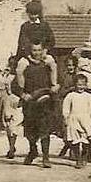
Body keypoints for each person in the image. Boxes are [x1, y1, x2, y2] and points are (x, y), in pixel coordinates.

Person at [17, 40, 58, 168]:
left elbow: (56, 81)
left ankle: (46, 157)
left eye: (39, 50)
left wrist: (55, 86)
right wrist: (22, 94)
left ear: (43, 50)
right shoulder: (24, 63)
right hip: (30, 100)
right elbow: (16, 83)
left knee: (44, 128)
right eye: (34, 50)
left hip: (45, 98)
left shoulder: (48, 63)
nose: (37, 53)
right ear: (30, 51)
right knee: (30, 129)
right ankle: (33, 150)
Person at [61, 73, 91, 169]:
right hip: (74, 119)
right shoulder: (70, 95)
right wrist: (66, 118)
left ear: (86, 85)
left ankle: (84, 156)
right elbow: (66, 108)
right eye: (79, 85)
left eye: (83, 85)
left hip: (86, 120)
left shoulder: (88, 96)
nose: (81, 87)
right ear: (75, 85)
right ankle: (78, 159)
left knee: (86, 140)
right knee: (75, 141)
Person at [0, 56, 24, 159]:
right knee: (8, 126)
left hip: (17, 102)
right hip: (7, 102)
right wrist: (3, 75)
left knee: (14, 126)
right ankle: (11, 146)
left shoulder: (21, 76)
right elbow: (0, 86)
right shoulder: (7, 76)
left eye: (15, 64)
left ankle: (11, 148)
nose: (13, 66)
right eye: (11, 64)